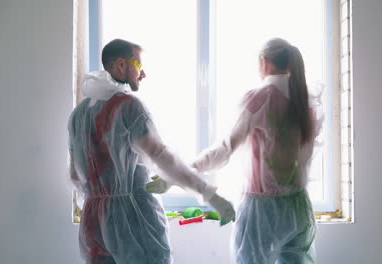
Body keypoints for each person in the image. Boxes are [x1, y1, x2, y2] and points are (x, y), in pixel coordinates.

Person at [147, 38, 323, 263]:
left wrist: (179, 173)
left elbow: (225, 149)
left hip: (262, 210)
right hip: (298, 207)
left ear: (263, 62)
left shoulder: (260, 97)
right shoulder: (306, 101)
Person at [68, 38, 235, 264]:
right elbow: (162, 158)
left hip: (93, 222)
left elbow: (75, 175)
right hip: (134, 219)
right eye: (138, 66)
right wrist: (210, 194)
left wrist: (101, 199)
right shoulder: (128, 106)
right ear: (121, 65)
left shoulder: (79, 114)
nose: (142, 73)